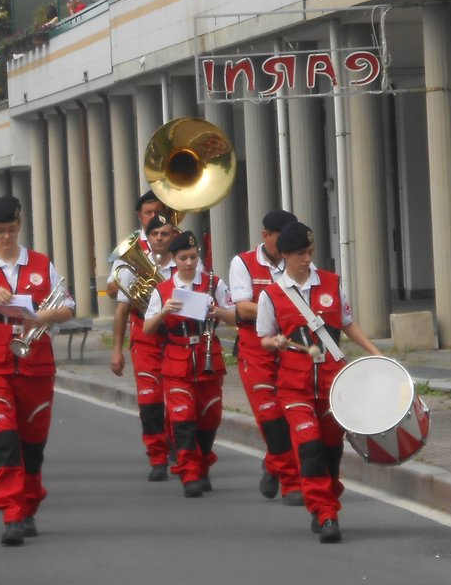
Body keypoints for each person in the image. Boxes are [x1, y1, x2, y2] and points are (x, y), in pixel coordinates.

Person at [0, 195, 74, 547]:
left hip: (35, 364)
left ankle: (29, 502)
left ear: (19, 227)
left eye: (12, 230)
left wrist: (40, 314)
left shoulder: (40, 263)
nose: (6, 237)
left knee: (32, 443)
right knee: (3, 441)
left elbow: (66, 306)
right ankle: (12, 513)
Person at [256, 221, 384, 543]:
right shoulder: (271, 294)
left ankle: (326, 498)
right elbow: (264, 339)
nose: (307, 259)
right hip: (294, 386)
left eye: (310, 252)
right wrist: (277, 343)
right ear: (284, 254)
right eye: (300, 253)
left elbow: (349, 325)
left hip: (332, 383)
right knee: (310, 447)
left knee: (330, 451)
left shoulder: (331, 283)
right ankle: (326, 514)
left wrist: (377, 355)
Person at [142, 231, 236, 498]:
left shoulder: (212, 283)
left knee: (209, 418)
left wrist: (219, 312)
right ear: (174, 259)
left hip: (208, 357)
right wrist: (164, 311)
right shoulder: (163, 290)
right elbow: (148, 328)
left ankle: (202, 462)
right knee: (183, 420)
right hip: (177, 360)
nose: (189, 263)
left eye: (193, 257)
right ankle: (189, 472)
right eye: (183, 258)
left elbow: (235, 317)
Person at [228, 209, 304, 504]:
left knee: (292, 413)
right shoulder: (243, 263)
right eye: (280, 242)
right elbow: (243, 308)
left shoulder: (296, 261)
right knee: (271, 417)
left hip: (289, 346)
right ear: (265, 236)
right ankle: (290, 481)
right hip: (255, 348)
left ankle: (274, 464)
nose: (287, 250)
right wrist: (280, 308)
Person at [109, 213, 178, 480]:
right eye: (155, 234)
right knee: (149, 400)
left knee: (176, 395)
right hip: (145, 337)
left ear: (173, 236)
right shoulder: (132, 269)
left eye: (165, 234)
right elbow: (122, 311)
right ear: (147, 239)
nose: (160, 239)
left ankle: (176, 445)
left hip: (175, 336)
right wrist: (117, 350)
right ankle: (157, 458)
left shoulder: (184, 264)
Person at [105, 191, 168, 299]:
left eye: (157, 212)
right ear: (140, 215)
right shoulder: (131, 244)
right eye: (148, 213)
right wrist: (135, 279)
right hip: (142, 315)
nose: (153, 217)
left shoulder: (177, 239)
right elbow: (111, 290)